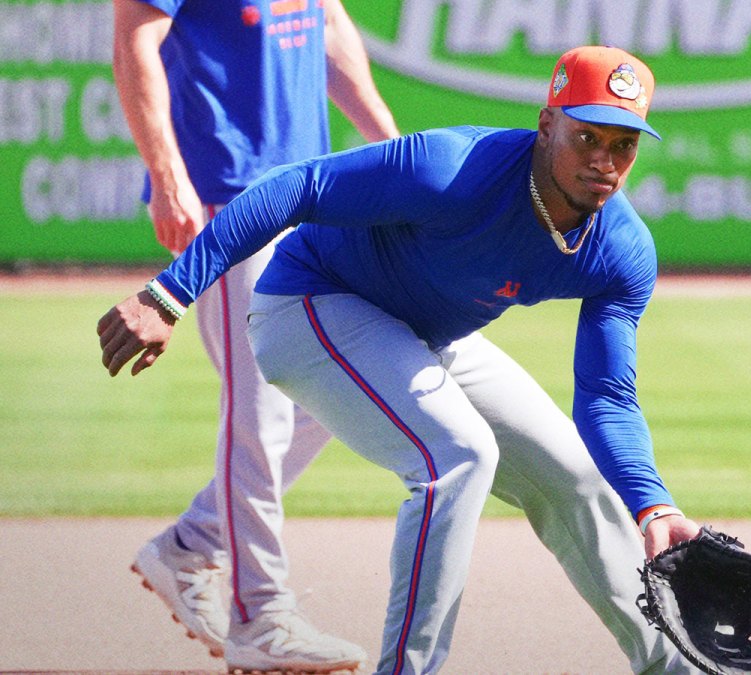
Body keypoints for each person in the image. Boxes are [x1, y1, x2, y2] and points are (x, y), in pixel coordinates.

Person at [99, 45, 702, 674]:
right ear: (547, 125)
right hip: (310, 303)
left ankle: (674, 667)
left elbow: (606, 398)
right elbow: (298, 186)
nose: (604, 160)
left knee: (575, 476)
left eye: (624, 144)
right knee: (460, 456)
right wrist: (167, 293)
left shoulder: (620, 248)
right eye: (587, 136)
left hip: (423, 333)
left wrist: (654, 505)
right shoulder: (453, 167)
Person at [110, 0, 399, 670]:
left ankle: (193, 543)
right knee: (262, 410)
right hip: (228, 193)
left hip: (307, 191)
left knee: (344, 378)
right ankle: (262, 616)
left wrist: (387, 142)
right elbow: (133, 41)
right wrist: (166, 173)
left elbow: (326, 24)